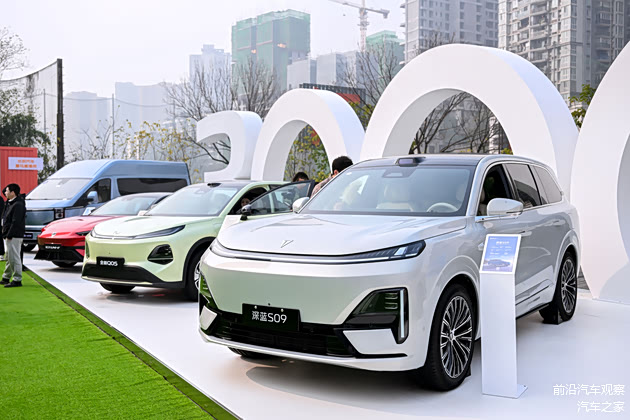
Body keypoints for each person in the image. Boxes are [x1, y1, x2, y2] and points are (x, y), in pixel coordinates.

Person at [1, 184, 26, 288]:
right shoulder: (11, 203)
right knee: (9, 256)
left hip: (14, 235)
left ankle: (17, 279)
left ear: (13, 192)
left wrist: (9, 234)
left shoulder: (18, 205)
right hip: (10, 234)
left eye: (7, 191)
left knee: (14, 258)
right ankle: (6, 277)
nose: (5, 193)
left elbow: (15, 222)